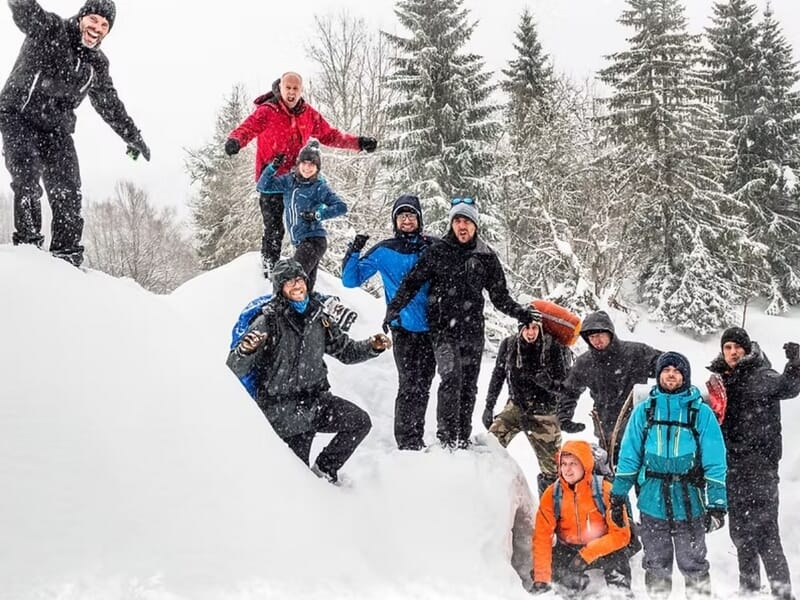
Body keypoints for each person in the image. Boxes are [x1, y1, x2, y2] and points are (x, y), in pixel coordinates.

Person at [0, 0, 149, 268]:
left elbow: (109, 104)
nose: (97, 28)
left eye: (105, 25)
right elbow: (27, 14)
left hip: (56, 128)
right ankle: (28, 248)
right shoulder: (52, 30)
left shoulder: (97, 64)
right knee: (27, 175)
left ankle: (66, 257)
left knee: (68, 188)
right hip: (18, 115)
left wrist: (132, 136)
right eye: (93, 20)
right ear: (81, 17)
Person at [384, 198, 539, 449]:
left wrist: (519, 313)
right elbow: (412, 282)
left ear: (475, 225)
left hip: (472, 330)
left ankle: (462, 436)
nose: (461, 226)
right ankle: (447, 438)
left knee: (469, 383)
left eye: (466, 221)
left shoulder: (486, 256)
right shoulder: (438, 251)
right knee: (451, 378)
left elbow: (499, 296)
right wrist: (393, 309)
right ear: (452, 224)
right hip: (443, 329)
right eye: (457, 221)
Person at [226, 258, 392, 484]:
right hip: (282, 413)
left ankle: (324, 470)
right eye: (289, 282)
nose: (297, 286)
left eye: (299, 280)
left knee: (359, 422)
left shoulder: (319, 316)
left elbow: (345, 351)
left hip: (317, 402)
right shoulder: (268, 320)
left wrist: (372, 347)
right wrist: (245, 350)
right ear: (279, 288)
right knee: (293, 481)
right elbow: (232, 369)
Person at [224, 71, 377, 277]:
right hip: (273, 180)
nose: (291, 92)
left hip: (299, 181)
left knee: (305, 227)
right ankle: (270, 269)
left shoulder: (308, 114)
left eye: (295, 89)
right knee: (274, 227)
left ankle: (302, 273)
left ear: (301, 91)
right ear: (280, 88)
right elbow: (248, 128)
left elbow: (330, 135)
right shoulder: (267, 111)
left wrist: (358, 143)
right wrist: (236, 140)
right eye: (288, 88)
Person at [611, 352, 727, 599]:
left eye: (677, 370)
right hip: (652, 501)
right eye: (666, 370)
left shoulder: (701, 414)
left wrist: (717, 504)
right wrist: (618, 494)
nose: (671, 374)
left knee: (694, 565)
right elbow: (629, 455)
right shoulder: (644, 412)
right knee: (655, 564)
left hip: (690, 502)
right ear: (658, 375)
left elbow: (715, 461)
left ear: (685, 376)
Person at [706, 327, 800, 600]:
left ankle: (783, 595)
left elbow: (789, 387)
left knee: (767, 536)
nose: (733, 352)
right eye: (728, 348)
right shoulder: (720, 381)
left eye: (737, 347)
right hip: (732, 469)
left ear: (747, 349)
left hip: (760, 468)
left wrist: (796, 364)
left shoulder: (762, 375)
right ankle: (748, 591)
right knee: (741, 536)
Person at [341, 194, 436, 451]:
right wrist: (354, 250)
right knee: (408, 384)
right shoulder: (385, 250)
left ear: (419, 219)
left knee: (424, 385)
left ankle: (416, 438)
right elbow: (351, 280)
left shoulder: (432, 247)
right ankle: (406, 442)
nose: (407, 220)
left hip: (432, 331)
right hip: (402, 329)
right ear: (395, 220)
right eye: (402, 215)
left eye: (412, 215)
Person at [530, 439, 632, 597]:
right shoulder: (552, 494)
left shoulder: (605, 490)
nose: (567, 470)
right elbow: (542, 537)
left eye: (573, 464)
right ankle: (574, 587)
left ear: (585, 465)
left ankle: (620, 592)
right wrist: (541, 578)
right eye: (563, 464)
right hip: (569, 549)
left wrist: (587, 554)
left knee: (617, 559)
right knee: (557, 581)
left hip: (604, 548)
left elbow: (621, 535)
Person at [557, 310, 661, 465]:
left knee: (645, 478)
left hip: (640, 429)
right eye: (591, 337)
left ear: (610, 332)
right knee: (611, 481)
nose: (596, 341)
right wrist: (564, 418)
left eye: (600, 335)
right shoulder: (585, 362)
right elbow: (570, 391)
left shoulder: (636, 353)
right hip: (606, 432)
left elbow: (667, 365)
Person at [483, 316, 572, 496]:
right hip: (516, 407)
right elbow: (498, 375)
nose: (530, 333)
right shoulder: (509, 345)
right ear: (519, 329)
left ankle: (552, 512)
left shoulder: (552, 347)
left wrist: (548, 384)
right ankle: (490, 498)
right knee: (489, 446)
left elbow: (566, 387)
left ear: (540, 327)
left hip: (544, 412)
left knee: (553, 470)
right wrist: (489, 406)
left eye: (534, 328)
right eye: (526, 328)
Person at [257, 139, 346, 292]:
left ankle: (278, 307)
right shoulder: (288, 181)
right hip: (300, 243)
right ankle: (307, 313)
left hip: (313, 241)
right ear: (298, 164)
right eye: (304, 163)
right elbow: (263, 186)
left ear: (317, 168)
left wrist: (318, 214)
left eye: (312, 165)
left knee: (289, 279)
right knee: (304, 289)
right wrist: (273, 167)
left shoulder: (319, 187)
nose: (307, 168)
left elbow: (341, 207)